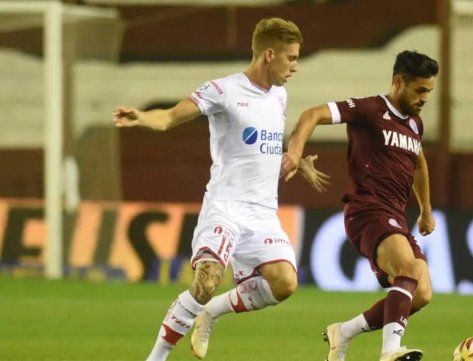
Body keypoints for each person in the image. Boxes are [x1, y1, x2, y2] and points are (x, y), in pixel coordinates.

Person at [113, 18, 327, 361]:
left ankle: (211, 312)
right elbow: (170, 117)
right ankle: (156, 357)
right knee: (207, 279)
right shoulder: (223, 90)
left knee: (285, 283)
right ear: (269, 54)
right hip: (226, 207)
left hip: (262, 214)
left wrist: (296, 160)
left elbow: (263, 144)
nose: (295, 66)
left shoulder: (281, 97)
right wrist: (141, 117)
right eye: (291, 58)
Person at [281, 50, 438, 361]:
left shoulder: (415, 125)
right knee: (408, 269)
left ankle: (345, 331)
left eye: (429, 91)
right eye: (420, 90)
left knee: (420, 293)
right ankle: (390, 351)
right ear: (398, 82)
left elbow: (419, 164)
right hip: (367, 211)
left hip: (396, 217)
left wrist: (426, 209)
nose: (425, 98)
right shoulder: (369, 109)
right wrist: (295, 153)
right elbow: (312, 114)